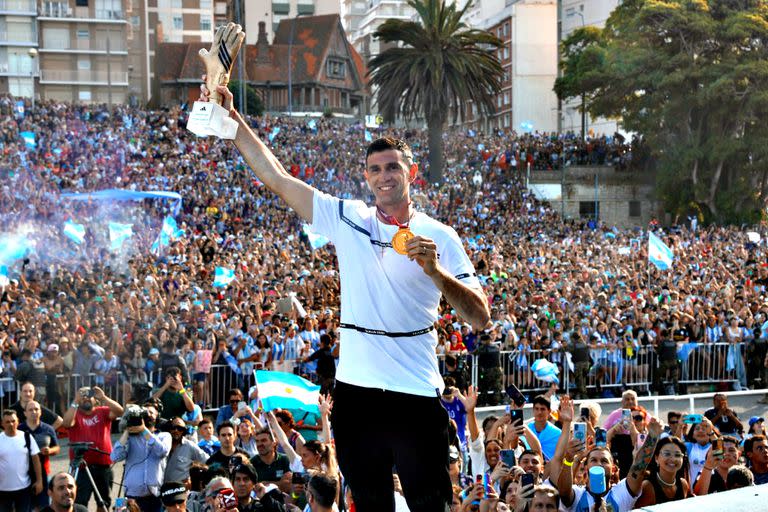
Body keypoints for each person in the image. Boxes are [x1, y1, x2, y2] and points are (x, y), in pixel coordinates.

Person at [200, 78, 490, 511]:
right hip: (357, 394)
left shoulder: (440, 236)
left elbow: (480, 316)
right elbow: (277, 179)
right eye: (375, 170)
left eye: (392, 167)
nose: (384, 177)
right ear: (367, 177)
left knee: (430, 504)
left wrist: (437, 272)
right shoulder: (348, 218)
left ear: (410, 173)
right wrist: (233, 120)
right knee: (368, 505)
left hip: (416, 392)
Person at [550, 397, 663, 512]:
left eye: (604, 461)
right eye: (593, 460)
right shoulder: (577, 494)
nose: (599, 464)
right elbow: (563, 492)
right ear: (586, 467)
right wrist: (569, 458)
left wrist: (652, 436)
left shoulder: (623, 493)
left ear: (613, 467)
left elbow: (639, 467)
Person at [61, 386, 123, 512]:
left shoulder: (103, 411)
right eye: (83, 396)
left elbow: (120, 411)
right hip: (81, 467)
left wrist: (104, 397)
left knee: (104, 502)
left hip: (103, 466)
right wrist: (75, 401)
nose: (86, 399)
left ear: (95, 399)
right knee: (80, 502)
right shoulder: (75, 414)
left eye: (89, 396)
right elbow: (66, 423)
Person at [111, 407, 172, 512]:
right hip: (130, 497)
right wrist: (127, 430)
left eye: (151, 412)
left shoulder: (164, 435)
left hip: (155, 496)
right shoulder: (130, 438)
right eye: (145, 413)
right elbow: (114, 457)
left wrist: (144, 430)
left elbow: (163, 451)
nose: (148, 415)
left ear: (157, 416)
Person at [19, 400, 60, 510]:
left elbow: (57, 448)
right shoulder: (19, 429)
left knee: (44, 506)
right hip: (23, 473)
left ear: (41, 412)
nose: (34, 412)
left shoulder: (48, 429)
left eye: (36, 409)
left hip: (44, 472)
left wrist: (50, 451)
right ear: (25, 413)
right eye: (30, 410)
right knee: (25, 506)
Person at [0, 409, 43, 511]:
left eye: (13, 421)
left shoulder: (26, 437)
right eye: (7, 421)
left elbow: (36, 460)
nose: (11, 424)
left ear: (18, 421)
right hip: (2, 490)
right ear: (2, 424)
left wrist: (39, 481)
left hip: (24, 488)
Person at [634, 436, 691, 507]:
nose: (673, 459)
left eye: (677, 455)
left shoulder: (683, 484)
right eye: (667, 454)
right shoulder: (647, 487)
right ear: (656, 458)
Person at [164, 416, 208, 483]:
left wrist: (195, 480)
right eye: (173, 427)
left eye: (180, 428)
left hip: (181, 491)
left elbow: (208, 461)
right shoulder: (162, 444)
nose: (176, 430)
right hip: (161, 490)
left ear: (184, 431)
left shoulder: (190, 446)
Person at [250, 427, 292, 493]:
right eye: (257, 441)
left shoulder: (285, 460)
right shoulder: (251, 463)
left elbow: (288, 486)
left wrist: (264, 483)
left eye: (263, 440)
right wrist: (279, 483)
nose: (259, 444)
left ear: (274, 443)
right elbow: (253, 488)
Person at [528, 395, 561, 461]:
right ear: (533, 410)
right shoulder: (526, 430)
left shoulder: (558, 433)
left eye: (542, 409)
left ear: (549, 411)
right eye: (537, 409)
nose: (539, 412)